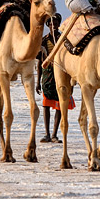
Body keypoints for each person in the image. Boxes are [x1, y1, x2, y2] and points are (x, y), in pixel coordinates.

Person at [35, 13, 75, 143]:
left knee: (60, 105)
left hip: (62, 74)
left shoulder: (64, 40)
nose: (54, 26)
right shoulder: (43, 40)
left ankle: (54, 134)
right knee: (46, 105)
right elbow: (40, 62)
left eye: (56, 23)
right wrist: (38, 82)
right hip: (47, 76)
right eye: (51, 24)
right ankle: (47, 134)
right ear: (48, 26)